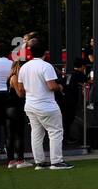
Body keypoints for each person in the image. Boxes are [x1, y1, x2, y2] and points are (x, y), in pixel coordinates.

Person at [18, 37, 71, 170]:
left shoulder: (24, 67)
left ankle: (40, 162)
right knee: (55, 132)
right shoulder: (46, 66)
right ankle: (56, 161)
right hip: (46, 105)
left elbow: (20, 89)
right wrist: (60, 87)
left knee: (36, 133)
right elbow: (52, 86)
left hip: (30, 104)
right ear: (45, 53)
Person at [3, 58, 28, 168]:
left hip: (8, 108)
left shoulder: (10, 77)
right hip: (16, 108)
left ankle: (11, 160)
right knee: (19, 135)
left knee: (10, 135)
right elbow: (20, 94)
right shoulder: (16, 77)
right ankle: (20, 160)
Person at [61, 58, 87, 146]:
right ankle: (65, 139)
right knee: (69, 119)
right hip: (72, 100)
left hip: (65, 99)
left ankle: (66, 136)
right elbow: (87, 81)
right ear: (82, 66)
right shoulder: (79, 74)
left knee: (66, 120)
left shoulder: (69, 74)